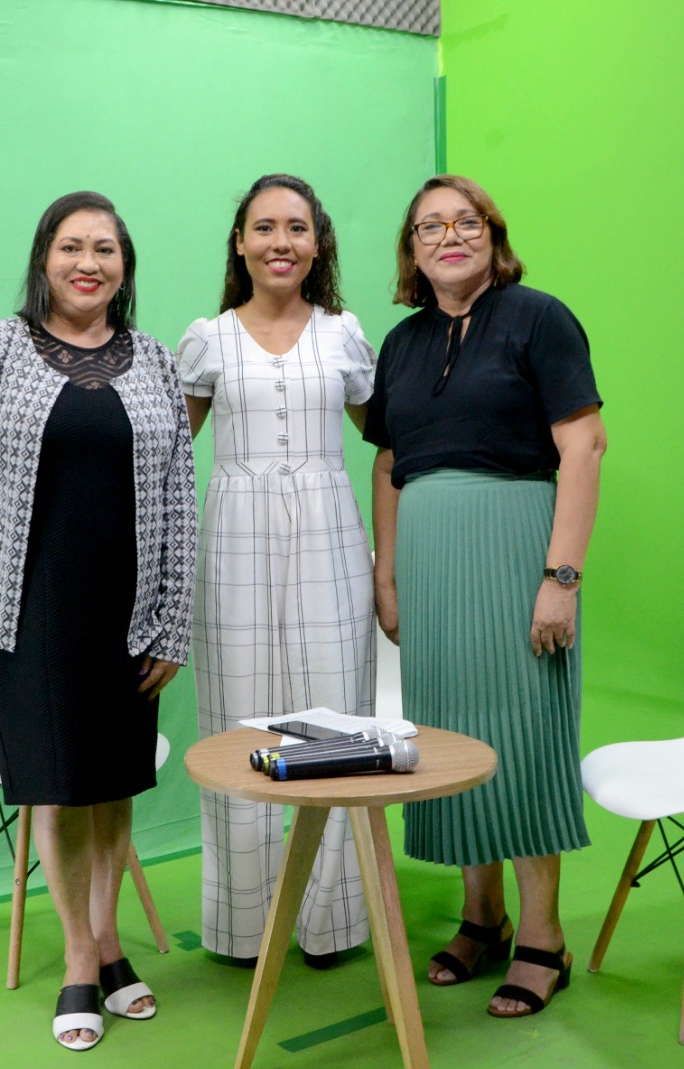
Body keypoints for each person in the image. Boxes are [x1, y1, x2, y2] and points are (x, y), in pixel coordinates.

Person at [0, 191, 197, 1051]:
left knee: (112, 789)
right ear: (44, 260)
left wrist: (171, 622)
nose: (89, 262)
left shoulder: (151, 359)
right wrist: (2, 537)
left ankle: (111, 944)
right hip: (29, 611)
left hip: (130, 608)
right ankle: (79, 956)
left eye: (106, 249)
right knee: (60, 789)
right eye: (72, 246)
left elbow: (179, 495)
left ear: (124, 266)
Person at [363, 175, 607, 1019]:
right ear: (412, 249)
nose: (448, 236)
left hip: (514, 549)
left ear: (493, 238)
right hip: (430, 563)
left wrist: (560, 577)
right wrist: (386, 574)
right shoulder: (400, 345)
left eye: (465, 222)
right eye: (429, 226)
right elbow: (390, 462)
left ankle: (543, 937)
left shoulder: (539, 318)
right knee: (453, 736)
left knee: (525, 733)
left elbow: (584, 447)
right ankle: (483, 916)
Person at [177, 174, 376, 970]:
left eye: (296, 228)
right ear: (240, 241)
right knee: (239, 721)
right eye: (264, 227)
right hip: (232, 539)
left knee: (337, 719)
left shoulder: (344, 334)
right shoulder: (207, 338)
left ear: (317, 242)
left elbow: (390, 439)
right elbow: (163, 455)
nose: (280, 242)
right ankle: (242, 923)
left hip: (331, 532)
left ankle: (330, 920)